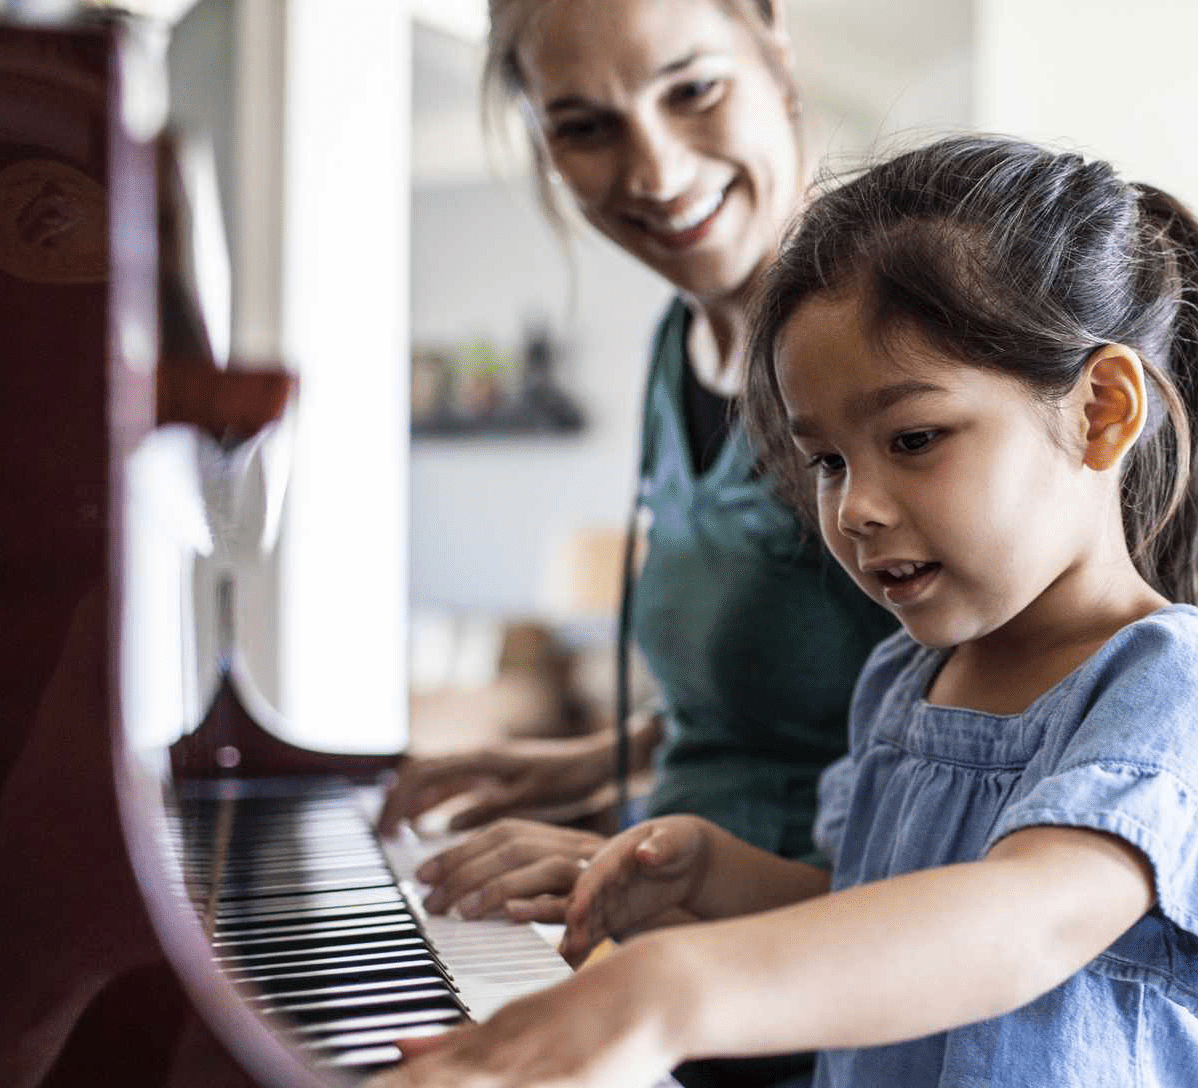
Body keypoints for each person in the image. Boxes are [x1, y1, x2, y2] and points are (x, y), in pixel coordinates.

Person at [370, 135, 1198, 1088]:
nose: (852, 507)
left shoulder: (1180, 686)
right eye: (828, 459)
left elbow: (1017, 922)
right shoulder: (901, 681)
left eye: (913, 437)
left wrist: (674, 990)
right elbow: (876, 902)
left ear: (1103, 410)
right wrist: (716, 877)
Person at [378, 0, 892, 923]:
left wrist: (640, 867)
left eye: (692, 88)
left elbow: (980, 767)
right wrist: (596, 758)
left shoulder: (884, 349)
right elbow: (798, 705)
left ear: (775, 50)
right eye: (583, 127)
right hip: (688, 975)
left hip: (826, 997)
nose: (654, 172)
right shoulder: (675, 347)